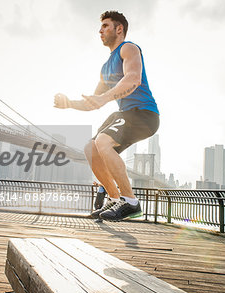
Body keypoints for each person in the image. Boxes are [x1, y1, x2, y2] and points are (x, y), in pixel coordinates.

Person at [54, 11, 159, 221]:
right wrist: (69, 104)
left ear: (119, 29)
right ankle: (114, 199)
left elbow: (133, 78)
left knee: (102, 141)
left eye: (105, 26)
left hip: (143, 113)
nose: (100, 30)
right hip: (124, 114)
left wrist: (106, 97)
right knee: (91, 149)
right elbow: (93, 101)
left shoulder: (128, 48)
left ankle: (131, 202)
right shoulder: (105, 68)